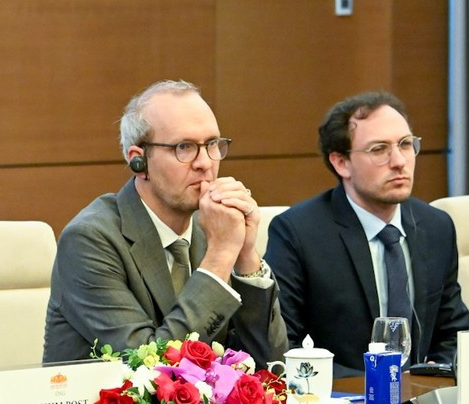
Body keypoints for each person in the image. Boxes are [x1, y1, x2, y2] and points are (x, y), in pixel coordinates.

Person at [44, 80, 288, 365]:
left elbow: (271, 366)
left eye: (212, 144)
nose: (205, 163)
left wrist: (245, 256)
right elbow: (149, 366)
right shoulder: (90, 240)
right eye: (184, 147)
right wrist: (221, 256)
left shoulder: (212, 226)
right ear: (139, 161)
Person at [265, 91, 469, 377]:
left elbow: (454, 333)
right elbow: (284, 349)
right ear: (341, 163)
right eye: (379, 149)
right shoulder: (297, 233)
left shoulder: (436, 227)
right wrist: (379, 389)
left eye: (405, 144)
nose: (399, 161)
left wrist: (433, 378)